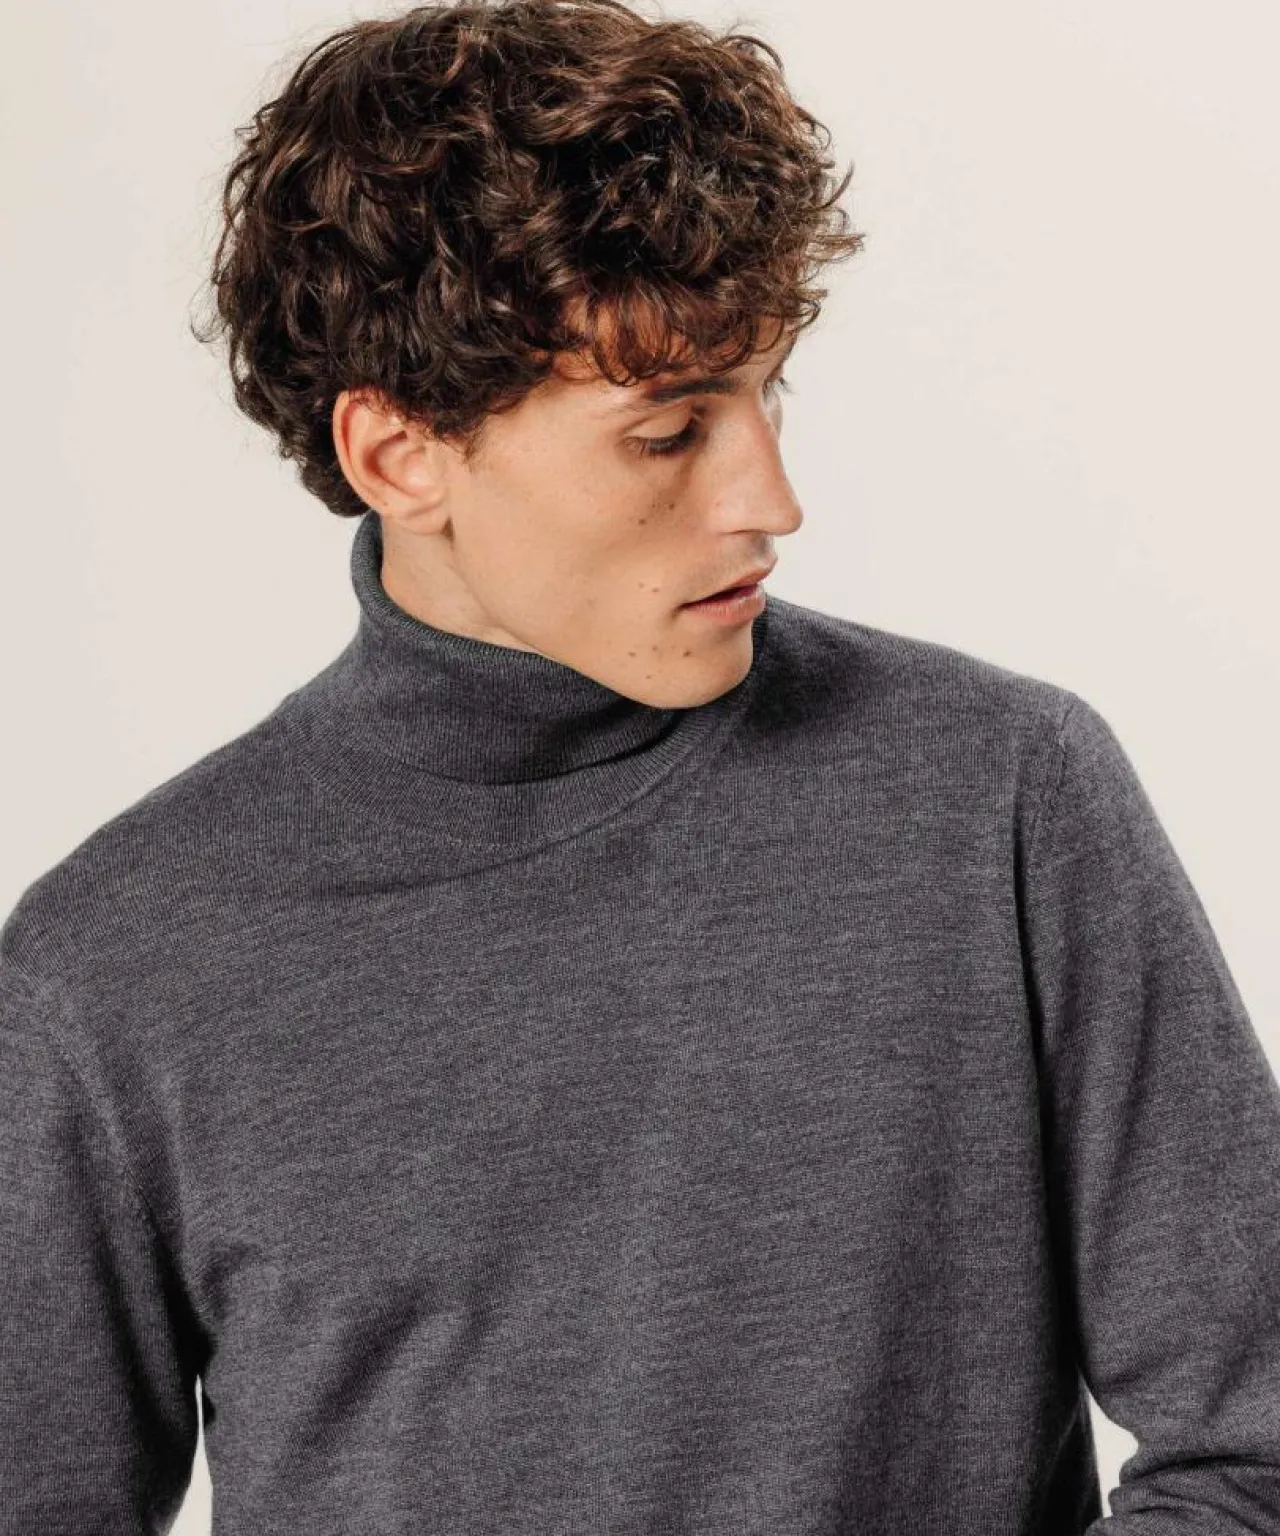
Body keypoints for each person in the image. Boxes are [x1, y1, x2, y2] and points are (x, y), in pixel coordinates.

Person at [2, 1, 1278, 1531]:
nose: (772, 501)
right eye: (669, 432)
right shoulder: (114, 967)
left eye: (766, 393)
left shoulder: (997, 795)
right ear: (399, 455)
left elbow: (1256, 1445)